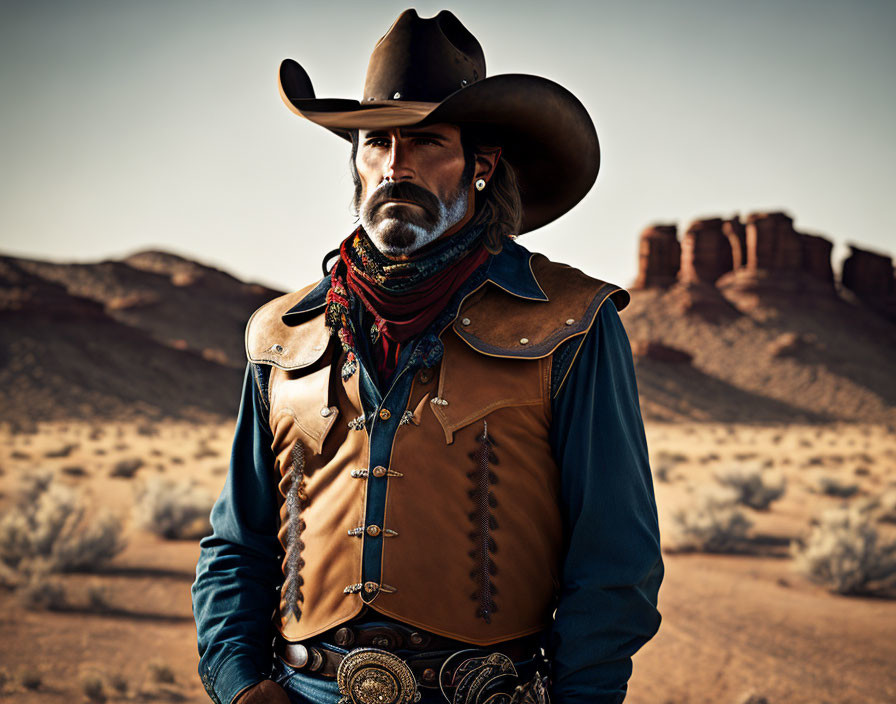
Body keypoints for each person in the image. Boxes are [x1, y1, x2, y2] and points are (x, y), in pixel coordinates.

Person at [192, 9, 663, 704]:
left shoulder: (570, 323)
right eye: (375, 141)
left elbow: (615, 562)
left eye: (425, 141)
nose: (394, 165)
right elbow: (237, 543)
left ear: (483, 163)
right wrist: (239, 684)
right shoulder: (281, 332)